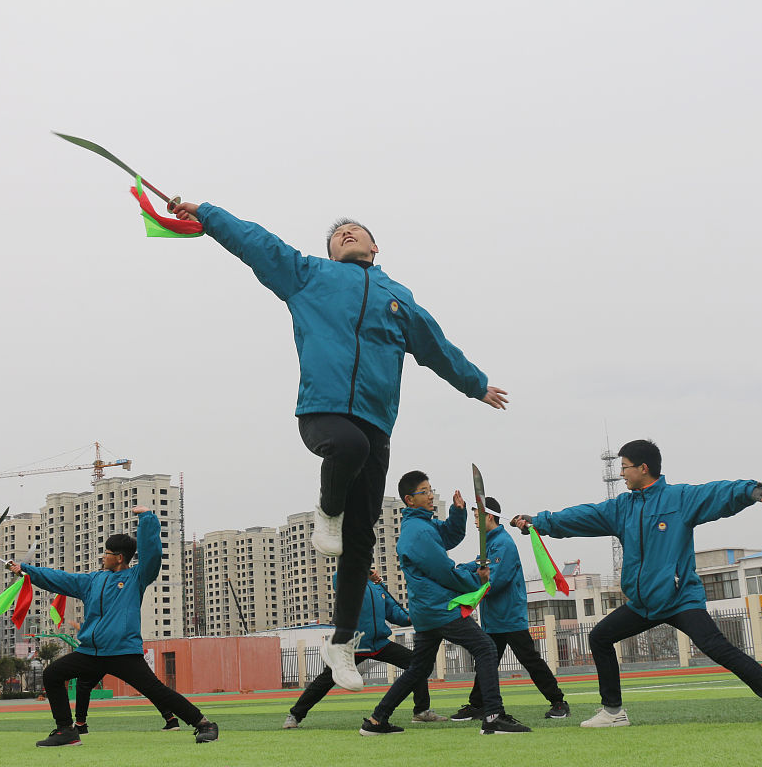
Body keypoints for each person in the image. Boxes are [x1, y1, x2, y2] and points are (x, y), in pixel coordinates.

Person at [171, 202, 508, 691]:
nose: (346, 233)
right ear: (330, 252)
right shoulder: (309, 276)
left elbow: (437, 347)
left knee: (361, 541)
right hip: (323, 413)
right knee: (347, 447)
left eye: (356, 230)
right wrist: (206, 214)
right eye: (338, 233)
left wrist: (475, 385)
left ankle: (343, 642)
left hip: (377, 423)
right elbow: (258, 243)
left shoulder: (398, 298)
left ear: (375, 247)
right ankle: (327, 511)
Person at [510, 439, 762, 728]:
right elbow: (582, 516)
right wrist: (539, 521)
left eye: (625, 467)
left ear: (643, 468)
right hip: (643, 603)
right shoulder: (622, 508)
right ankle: (613, 712)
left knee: (718, 648)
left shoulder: (679, 499)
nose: (621, 473)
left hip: (679, 598)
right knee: (600, 637)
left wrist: (748, 490)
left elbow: (715, 493)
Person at [8, 506, 218, 746]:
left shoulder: (137, 578)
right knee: (52, 674)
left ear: (119, 557)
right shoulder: (93, 580)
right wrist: (26, 570)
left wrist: (147, 519)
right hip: (91, 653)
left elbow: (152, 555)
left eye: (106, 553)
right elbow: (59, 578)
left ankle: (205, 725)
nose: (102, 557)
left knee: (156, 691)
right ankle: (66, 731)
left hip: (123, 653)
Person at [360, 471, 530, 735]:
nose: (430, 496)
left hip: (427, 611)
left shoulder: (423, 525)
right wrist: (476, 580)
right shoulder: (418, 532)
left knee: (418, 667)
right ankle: (493, 716)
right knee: (486, 647)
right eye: (424, 492)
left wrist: (457, 513)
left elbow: (450, 536)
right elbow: (445, 572)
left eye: (431, 490)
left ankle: (376, 720)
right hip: (438, 609)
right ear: (410, 499)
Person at [449, 496, 568, 722]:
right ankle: (477, 705)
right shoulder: (490, 543)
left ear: (489, 517)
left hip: (509, 617)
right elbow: (478, 565)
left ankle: (559, 702)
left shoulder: (503, 543)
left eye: (477, 517)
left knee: (529, 660)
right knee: (486, 661)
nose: (474, 522)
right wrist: (458, 569)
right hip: (494, 618)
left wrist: (465, 584)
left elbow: (496, 580)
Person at [283, 569, 449, 729]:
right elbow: (339, 576)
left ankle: (421, 711)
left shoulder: (378, 587)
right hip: (353, 644)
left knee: (417, 664)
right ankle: (295, 715)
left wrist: (411, 617)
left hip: (379, 643)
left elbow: (393, 612)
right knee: (326, 680)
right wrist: (364, 573)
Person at [60, 621, 181, 733]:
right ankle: (170, 719)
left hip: (107, 654)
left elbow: (98, 630)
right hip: (118, 653)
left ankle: (80, 724)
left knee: (83, 685)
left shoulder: (108, 614)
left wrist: (80, 627)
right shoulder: (118, 612)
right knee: (148, 687)